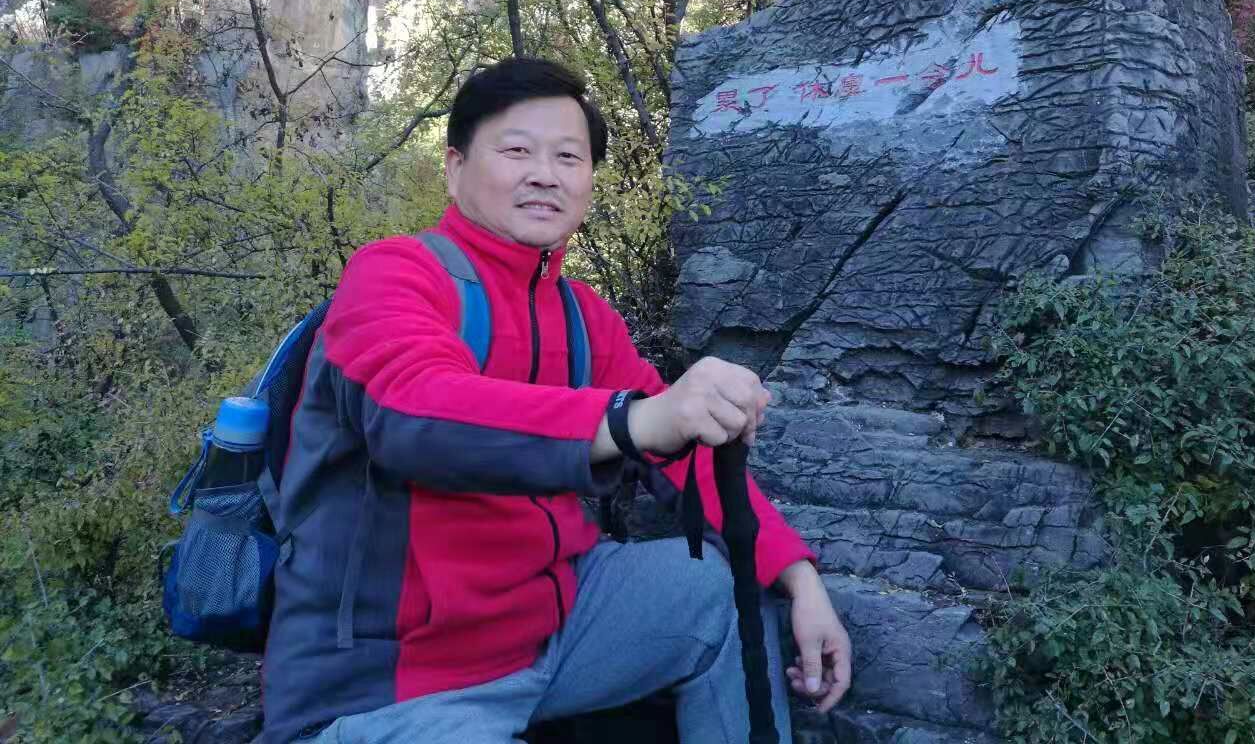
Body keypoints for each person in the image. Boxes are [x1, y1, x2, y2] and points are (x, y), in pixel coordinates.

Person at [261, 58, 852, 744]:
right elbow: (413, 412)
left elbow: (681, 449)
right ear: (455, 168)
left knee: (710, 590)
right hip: (392, 682)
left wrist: (799, 578)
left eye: (568, 157)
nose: (545, 174)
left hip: (553, 632)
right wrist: (628, 421)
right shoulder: (395, 274)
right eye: (517, 151)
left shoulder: (582, 317)